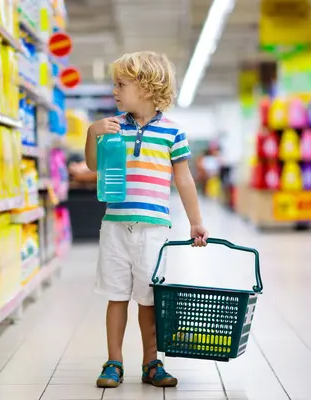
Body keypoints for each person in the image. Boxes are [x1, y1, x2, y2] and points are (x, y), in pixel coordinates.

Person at [84, 51, 209, 389]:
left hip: (154, 229)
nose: (114, 91)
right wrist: (92, 133)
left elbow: (184, 179)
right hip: (116, 226)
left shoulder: (172, 133)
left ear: (147, 87)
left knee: (150, 300)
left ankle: (151, 362)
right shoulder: (112, 127)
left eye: (120, 84)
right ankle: (114, 362)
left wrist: (196, 221)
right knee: (116, 295)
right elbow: (94, 166)